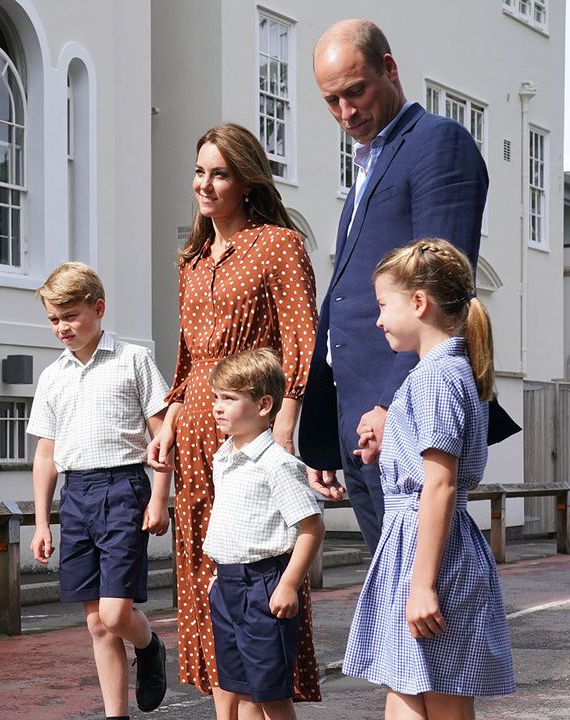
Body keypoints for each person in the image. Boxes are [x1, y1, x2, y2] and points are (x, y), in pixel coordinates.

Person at [148, 123, 321, 718]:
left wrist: (285, 426)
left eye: (219, 173)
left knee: (256, 565)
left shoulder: (279, 245)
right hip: (195, 434)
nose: (205, 184)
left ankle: (264, 696)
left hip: (251, 429)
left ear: (247, 180)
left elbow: (301, 342)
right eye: (199, 171)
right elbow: (187, 354)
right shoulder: (191, 259)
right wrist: (170, 413)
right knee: (206, 578)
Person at [299, 19, 491, 554]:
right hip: (352, 413)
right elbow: (344, 300)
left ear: (390, 68)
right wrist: (323, 430)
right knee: (390, 590)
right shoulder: (367, 165)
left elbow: (440, 289)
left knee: (422, 596)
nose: (345, 112)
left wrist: (393, 406)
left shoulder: (438, 144)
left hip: (397, 409)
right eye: (331, 100)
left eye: (355, 91)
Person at [343, 239, 515, 719]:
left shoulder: (436, 378)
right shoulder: (446, 373)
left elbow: (440, 484)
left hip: (430, 556)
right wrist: (391, 446)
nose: (377, 320)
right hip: (422, 548)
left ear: (419, 303)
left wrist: (422, 586)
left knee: (439, 699)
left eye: (383, 305)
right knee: (407, 690)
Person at [27, 262, 172, 718]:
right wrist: (41, 522)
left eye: (70, 315)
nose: (62, 327)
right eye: (54, 319)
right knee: (96, 624)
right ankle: (116, 715)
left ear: (98, 308)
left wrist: (159, 497)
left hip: (123, 489)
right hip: (76, 496)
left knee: (114, 614)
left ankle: (149, 646)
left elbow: (163, 437)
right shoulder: (52, 376)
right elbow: (46, 455)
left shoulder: (133, 360)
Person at [204, 349, 325, 720]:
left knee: (270, 694)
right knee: (240, 691)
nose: (217, 407)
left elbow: (311, 526)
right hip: (228, 585)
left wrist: (288, 584)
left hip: (264, 587)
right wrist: (220, 573)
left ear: (263, 404)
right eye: (216, 397)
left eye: (229, 398)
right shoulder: (223, 456)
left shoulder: (277, 464)